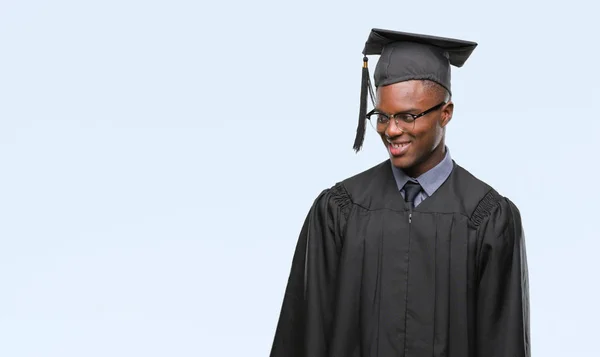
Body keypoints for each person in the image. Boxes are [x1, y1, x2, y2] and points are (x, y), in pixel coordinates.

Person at [269, 28, 530, 357]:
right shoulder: (340, 210)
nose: (391, 130)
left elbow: (503, 342)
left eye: (408, 116)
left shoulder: (487, 218)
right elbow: (303, 334)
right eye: (383, 117)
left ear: (445, 113)